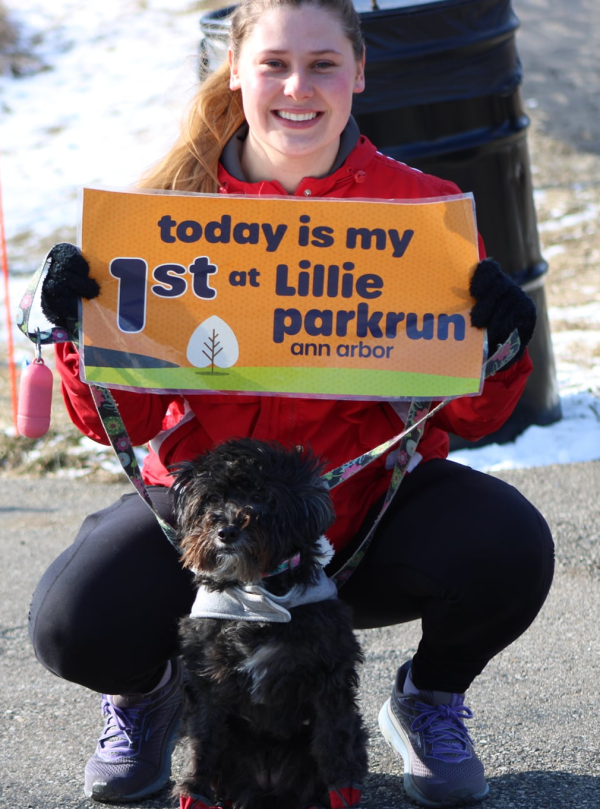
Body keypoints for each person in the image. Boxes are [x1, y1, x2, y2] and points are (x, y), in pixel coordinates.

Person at [29, 0, 554, 806]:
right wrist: (75, 333)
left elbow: (467, 418)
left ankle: (431, 698)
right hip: (210, 526)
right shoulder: (168, 214)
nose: (297, 86)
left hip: (362, 519)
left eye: (323, 64)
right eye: (273, 63)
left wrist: (503, 343)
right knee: (74, 622)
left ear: (360, 73)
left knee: (509, 545)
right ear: (235, 71)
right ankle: (150, 697)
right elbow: (118, 424)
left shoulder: (422, 215)